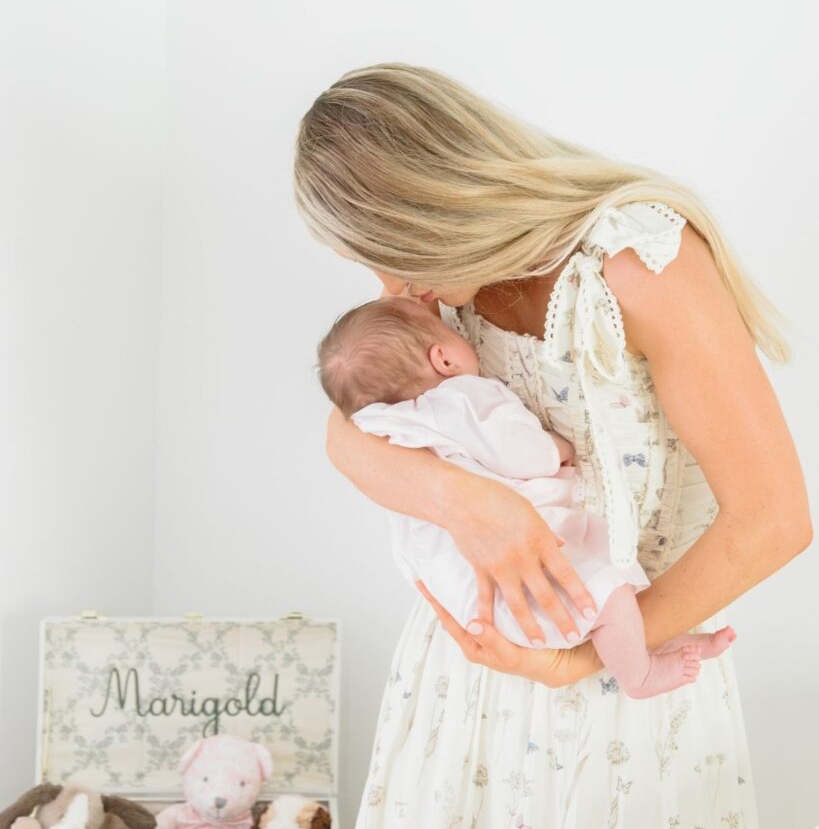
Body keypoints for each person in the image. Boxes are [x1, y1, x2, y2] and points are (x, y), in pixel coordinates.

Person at [292, 62, 811, 827]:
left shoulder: (637, 264)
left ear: (434, 211)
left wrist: (583, 659)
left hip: (626, 678)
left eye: (387, 253)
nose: (387, 285)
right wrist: (467, 505)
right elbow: (350, 432)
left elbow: (773, 521)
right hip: (465, 681)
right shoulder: (436, 291)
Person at [315, 294, 737, 698]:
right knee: (609, 593)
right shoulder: (463, 398)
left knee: (609, 605)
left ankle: (656, 644)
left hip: (470, 595)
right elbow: (521, 454)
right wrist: (557, 448)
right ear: (442, 358)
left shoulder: (385, 421)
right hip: (521, 573)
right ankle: (639, 674)